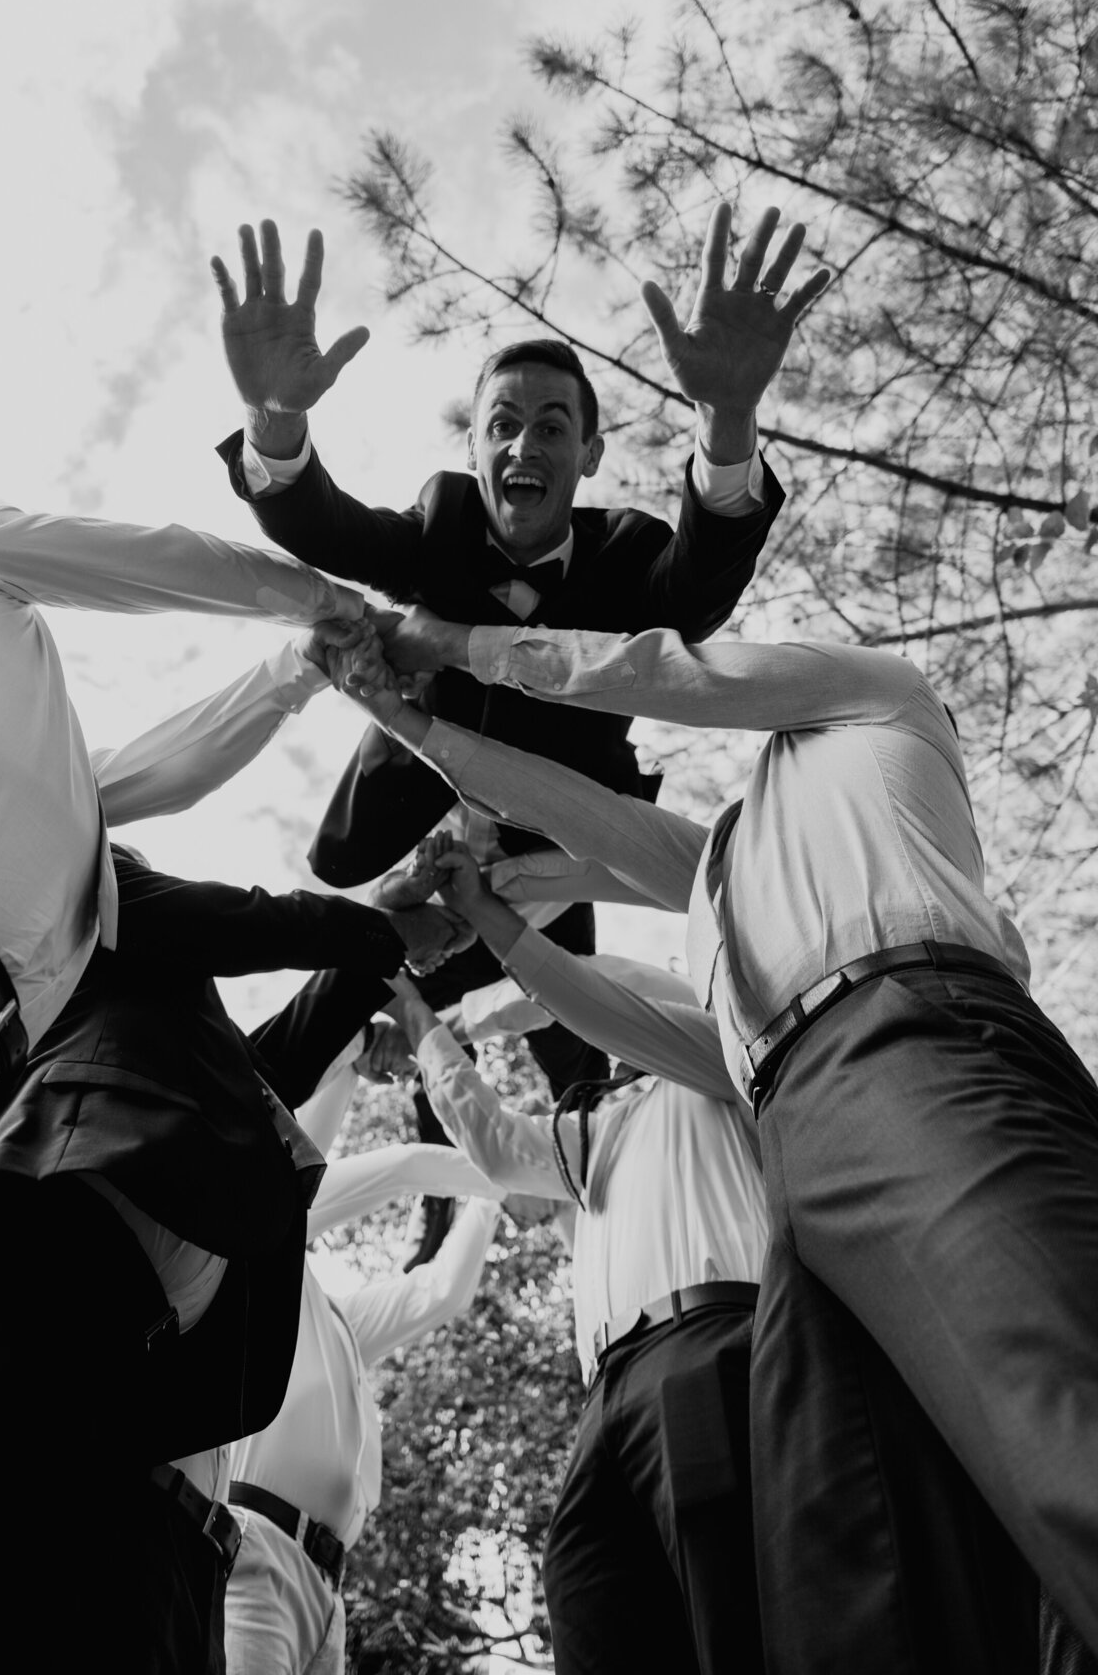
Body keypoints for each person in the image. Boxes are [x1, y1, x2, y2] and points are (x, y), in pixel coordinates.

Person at [347, 613, 1093, 1672]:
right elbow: (598, 831)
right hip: (801, 1137)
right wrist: (411, 742)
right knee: (851, 1580)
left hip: (907, 1033)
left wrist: (452, 645)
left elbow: (662, 674)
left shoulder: (879, 696)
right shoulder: (729, 874)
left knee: (1053, 1419)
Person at [207, 206, 828, 1107]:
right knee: (351, 907)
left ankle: (599, 1122)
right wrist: (272, 420)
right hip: (418, 806)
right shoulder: (443, 526)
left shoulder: (621, 554)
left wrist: (727, 420)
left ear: (588, 454)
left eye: (549, 428)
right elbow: (326, 527)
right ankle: (288, 1079)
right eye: (502, 426)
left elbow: (693, 594)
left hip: (557, 830)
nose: (522, 446)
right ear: (474, 447)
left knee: (567, 1020)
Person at [0, 497, 362, 1486]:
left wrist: (305, 667)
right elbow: (147, 561)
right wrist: (325, 600)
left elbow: (169, 768)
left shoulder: (64, 793)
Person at [380, 939, 767, 1675]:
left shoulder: (723, 1063)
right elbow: (493, 1144)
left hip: (709, 1345)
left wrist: (462, 1018)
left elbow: (597, 983)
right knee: (591, 1604)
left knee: (729, 1612)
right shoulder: (602, 1132)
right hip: (605, 1395)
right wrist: (419, 1026)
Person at [224, 1049, 503, 1675]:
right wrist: (510, 1167)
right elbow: (401, 1167)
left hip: (326, 1597)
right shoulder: (266, 1266)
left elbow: (443, 1291)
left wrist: (490, 1206)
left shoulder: (341, 1321)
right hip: (255, 1552)